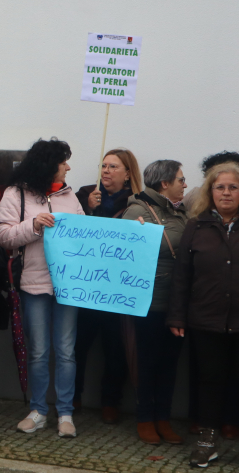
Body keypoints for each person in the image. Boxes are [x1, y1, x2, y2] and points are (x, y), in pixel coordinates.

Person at [0, 138, 84, 438]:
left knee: (67, 352)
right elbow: (4, 237)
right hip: (33, 285)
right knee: (38, 352)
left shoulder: (70, 197)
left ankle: (65, 412)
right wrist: (34, 225)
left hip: (68, 286)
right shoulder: (14, 194)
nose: (68, 167)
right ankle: (38, 411)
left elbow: (84, 237)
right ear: (48, 166)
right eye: (63, 162)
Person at [168, 162, 239, 467]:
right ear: (211, 191)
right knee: (210, 382)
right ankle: (207, 442)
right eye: (220, 187)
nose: (226, 192)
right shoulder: (196, 226)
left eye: (233, 187)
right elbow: (182, 275)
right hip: (206, 319)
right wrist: (176, 317)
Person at [120, 160, 188, 445]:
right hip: (149, 302)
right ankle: (146, 418)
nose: (185, 184)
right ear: (165, 184)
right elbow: (122, 252)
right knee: (148, 363)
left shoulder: (179, 211)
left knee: (170, 364)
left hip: (177, 303)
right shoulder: (137, 211)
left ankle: (163, 418)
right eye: (180, 180)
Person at [73, 148, 141, 424]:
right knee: (77, 346)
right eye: (104, 165)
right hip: (86, 285)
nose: (106, 171)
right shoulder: (84, 194)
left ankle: (110, 402)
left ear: (127, 174)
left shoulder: (136, 202)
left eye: (113, 167)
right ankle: (72, 396)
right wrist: (87, 208)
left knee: (115, 348)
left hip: (117, 288)